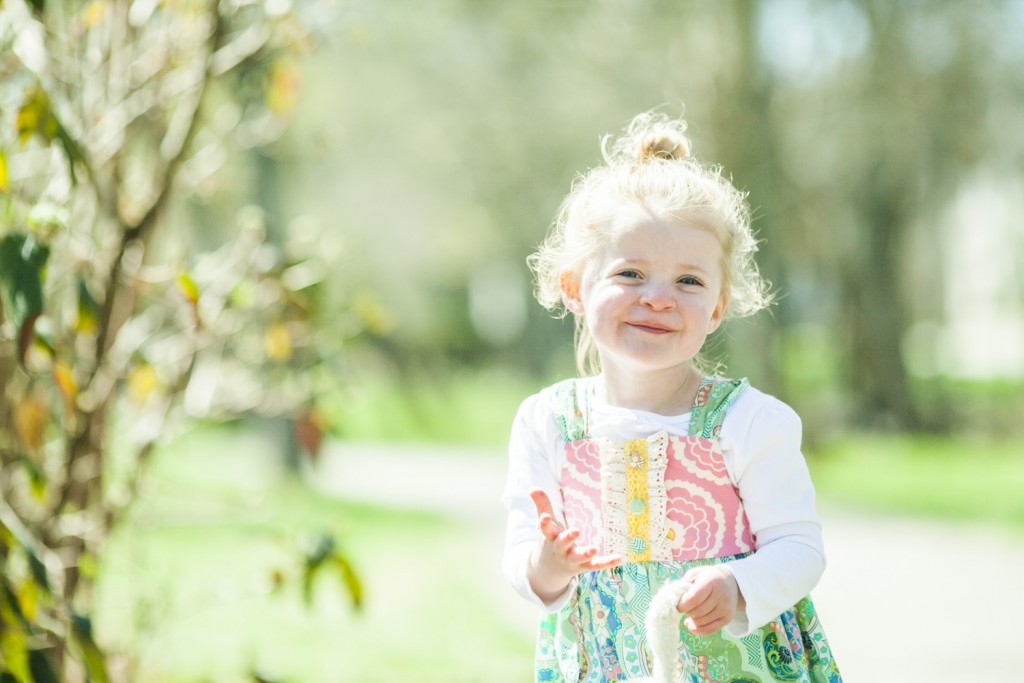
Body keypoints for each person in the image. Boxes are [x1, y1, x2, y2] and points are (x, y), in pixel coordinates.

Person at [501, 111, 842, 682]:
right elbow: (522, 562)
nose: (659, 298)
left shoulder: (749, 422)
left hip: (741, 667)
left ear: (716, 306)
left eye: (688, 281)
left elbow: (799, 548)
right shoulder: (547, 422)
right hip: (603, 665)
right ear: (574, 288)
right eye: (630, 273)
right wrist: (548, 563)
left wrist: (738, 586)